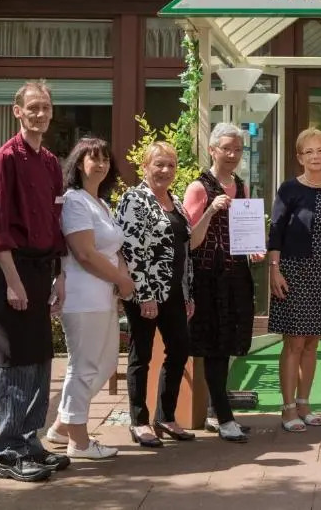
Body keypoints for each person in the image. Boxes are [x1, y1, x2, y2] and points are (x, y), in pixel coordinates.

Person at [0, 80, 70, 482]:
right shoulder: (2, 159)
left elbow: (55, 221)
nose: (40, 114)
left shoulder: (50, 162)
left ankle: (30, 440)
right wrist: (14, 283)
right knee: (14, 360)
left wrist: (59, 276)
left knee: (39, 359)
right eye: (32, 107)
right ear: (17, 111)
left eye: (45, 107)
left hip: (41, 269)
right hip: (12, 269)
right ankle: (8, 451)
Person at [45, 137, 135, 459]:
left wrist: (120, 280)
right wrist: (122, 280)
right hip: (83, 297)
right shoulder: (74, 201)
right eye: (94, 158)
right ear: (79, 163)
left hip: (103, 297)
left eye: (106, 159)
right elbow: (84, 253)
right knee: (83, 367)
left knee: (106, 363)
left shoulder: (101, 204)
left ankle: (62, 426)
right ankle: (79, 442)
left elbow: (113, 248)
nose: (101, 164)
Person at [115, 141, 207, 447]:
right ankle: (139, 421)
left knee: (179, 350)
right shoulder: (134, 199)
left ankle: (165, 416)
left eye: (171, 165)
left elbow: (184, 250)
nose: (165, 170)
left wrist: (188, 293)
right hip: (145, 293)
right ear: (145, 166)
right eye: (159, 164)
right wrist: (144, 295)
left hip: (175, 292)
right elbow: (130, 250)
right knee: (141, 355)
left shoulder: (176, 201)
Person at [183, 123, 265, 443]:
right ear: (212, 150)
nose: (232, 155)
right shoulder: (199, 188)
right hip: (208, 278)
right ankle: (225, 418)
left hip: (235, 276)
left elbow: (243, 235)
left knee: (228, 345)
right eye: (226, 148)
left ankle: (215, 413)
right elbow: (190, 241)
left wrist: (254, 249)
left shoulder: (241, 186)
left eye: (237, 149)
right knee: (215, 349)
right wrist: (210, 210)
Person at [267, 129, 321, 432]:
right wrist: (274, 270)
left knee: (313, 343)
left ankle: (304, 404)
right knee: (294, 342)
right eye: (309, 151)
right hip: (293, 272)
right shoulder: (289, 189)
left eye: (320, 150)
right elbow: (276, 231)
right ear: (300, 157)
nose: (315, 156)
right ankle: (288, 408)